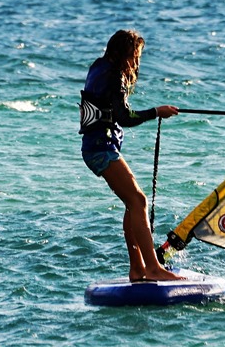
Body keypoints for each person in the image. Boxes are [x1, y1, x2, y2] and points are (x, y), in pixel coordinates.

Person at [79, 29, 184, 282]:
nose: (137, 62)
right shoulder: (115, 76)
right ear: (124, 53)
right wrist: (157, 111)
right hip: (100, 147)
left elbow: (110, 111)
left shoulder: (98, 66)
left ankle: (137, 268)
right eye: (135, 56)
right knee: (138, 201)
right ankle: (153, 268)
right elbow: (126, 117)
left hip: (97, 146)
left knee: (132, 204)